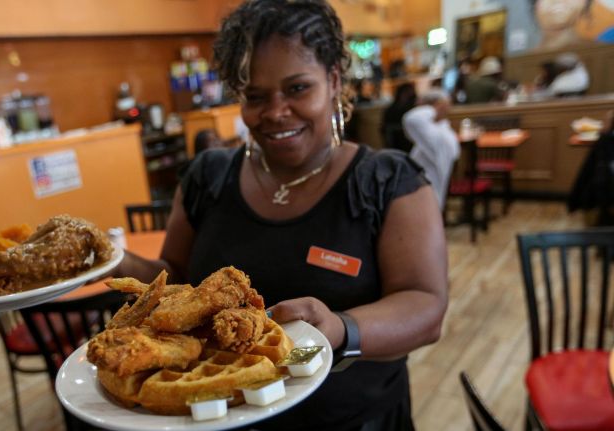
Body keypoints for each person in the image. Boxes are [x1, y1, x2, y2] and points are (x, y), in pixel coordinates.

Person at [115, 1, 448, 430]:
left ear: (332, 81)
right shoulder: (208, 177)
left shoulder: (386, 182)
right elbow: (173, 280)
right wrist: (115, 259)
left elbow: (425, 306)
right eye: (255, 96)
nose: (274, 112)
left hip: (351, 419)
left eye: (296, 89)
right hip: (214, 414)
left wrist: (340, 327)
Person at [402, 90, 460, 209]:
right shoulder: (438, 130)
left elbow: (411, 119)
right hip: (421, 196)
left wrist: (435, 108)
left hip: (425, 199)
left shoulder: (441, 136)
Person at [380, 82, 417, 152]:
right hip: (396, 140)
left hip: (409, 140)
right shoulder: (391, 109)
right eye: (406, 92)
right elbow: (385, 127)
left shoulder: (413, 108)